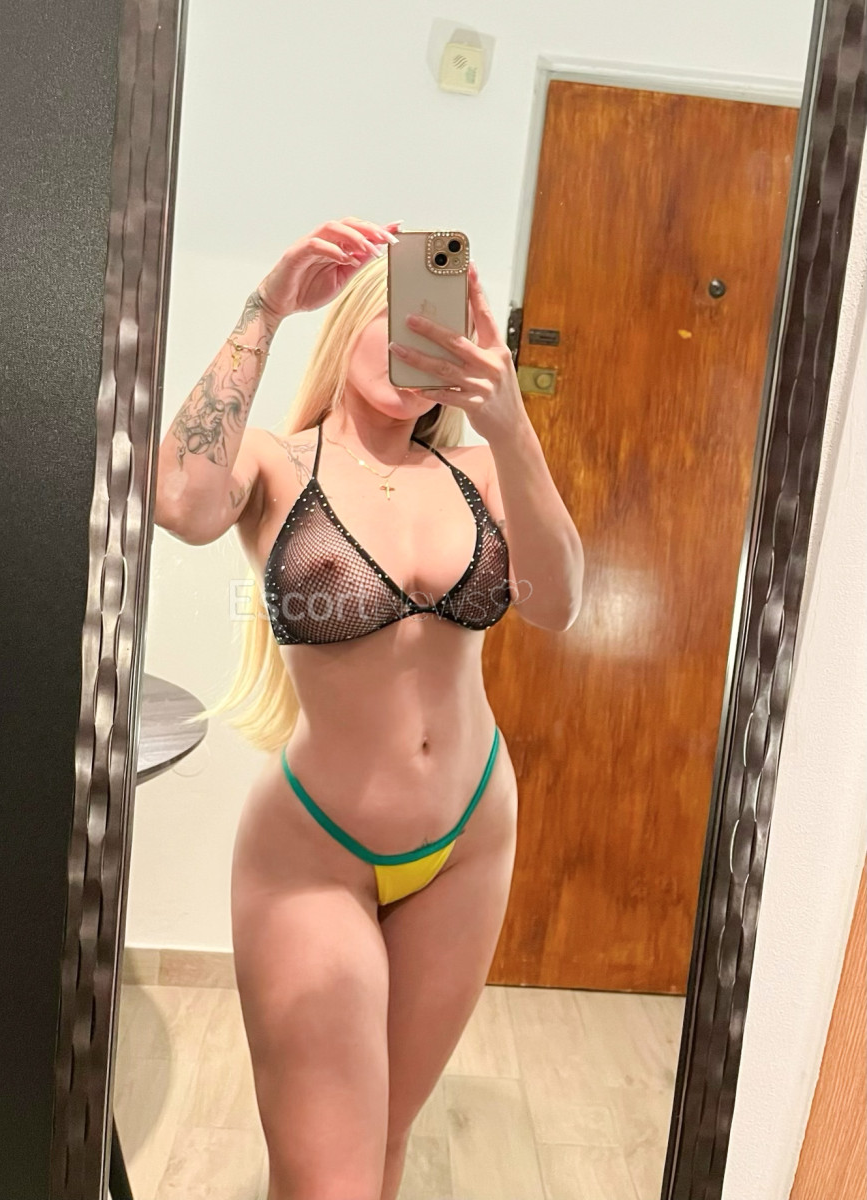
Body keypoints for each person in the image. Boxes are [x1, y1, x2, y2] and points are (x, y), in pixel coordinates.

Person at [154, 217, 584, 1200]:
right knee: (329, 1180)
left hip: (470, 842)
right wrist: (267, 306)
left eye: (440, 329)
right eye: (399, 318)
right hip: (316, 856)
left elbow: (559, 604)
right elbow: (178, 502)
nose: (415, 343)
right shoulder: (275, 464)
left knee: (385, 1143)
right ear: (349, 317)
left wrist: (511, 422)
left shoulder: (481, 473)